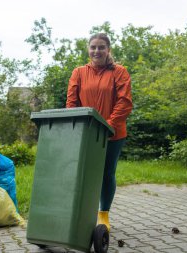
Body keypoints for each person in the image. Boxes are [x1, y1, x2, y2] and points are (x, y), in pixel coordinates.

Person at [66, 33, 132, 231]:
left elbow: (125, 102)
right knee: (84, 173)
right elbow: (71, 102)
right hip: (86, 133)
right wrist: (76, 126)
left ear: (108, 50)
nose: (97, 51)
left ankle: (103, 215)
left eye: (101, 47)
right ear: (88, 49)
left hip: (113, 134)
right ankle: (83, 212)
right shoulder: (78, 72)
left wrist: (107, 125)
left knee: (106, 173)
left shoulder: (119, 72)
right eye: (93, 47)